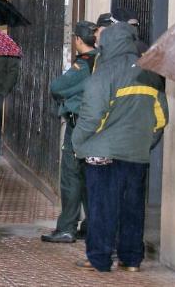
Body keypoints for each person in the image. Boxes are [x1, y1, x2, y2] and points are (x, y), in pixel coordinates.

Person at [72, 22, 168, 272]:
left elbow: (92, 116)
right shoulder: (151, 74)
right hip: (137, 154)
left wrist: (78, 142)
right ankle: (132, 259)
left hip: (102, 153)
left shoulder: (104, 73)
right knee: (132, 208)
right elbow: (160, 118)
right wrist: (145, 142)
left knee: (102, 207)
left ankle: (100, 258)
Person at [42, 21, 98, 244]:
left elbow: (57, 86)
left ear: (78, 40)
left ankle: (67, 227)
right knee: (87, 178)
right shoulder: (101, 61)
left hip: (78, 125)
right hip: (94, 126)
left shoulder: (83, 64)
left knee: (71, 177)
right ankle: (90, 224)